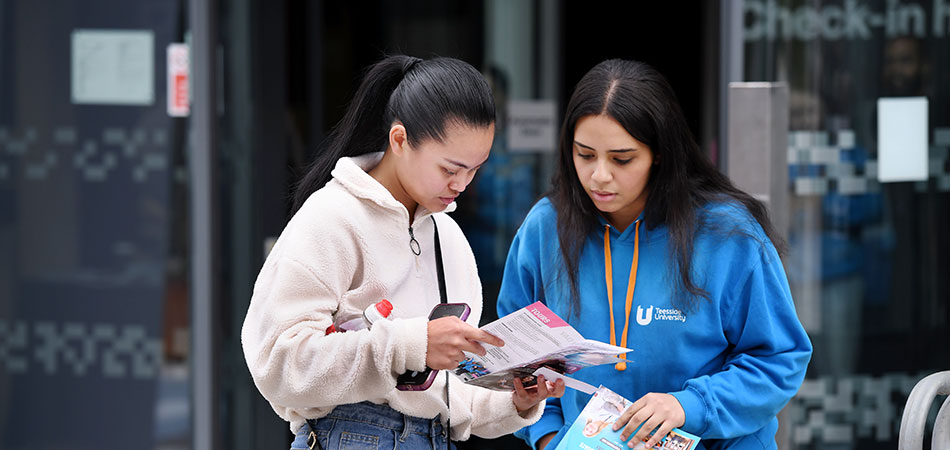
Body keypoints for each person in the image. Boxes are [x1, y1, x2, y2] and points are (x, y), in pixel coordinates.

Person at [241, 55, 564, 450]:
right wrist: (412, 345)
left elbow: (449, 395)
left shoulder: (448, 237)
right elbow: (278, 364)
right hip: (351, 435)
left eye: (475, 169)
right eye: (450, 168)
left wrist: (515, 399)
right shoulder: (331, 217)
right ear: (399, 140)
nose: (462, 184)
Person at [496, 59, 812, 449]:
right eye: (585, 154)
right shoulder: (546, 228)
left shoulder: (727, 234)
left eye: (622, 159)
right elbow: (519, 357)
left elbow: (778, 360)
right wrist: (547, 437)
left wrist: (687, 406)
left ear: (659, 154)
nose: (599, 175)